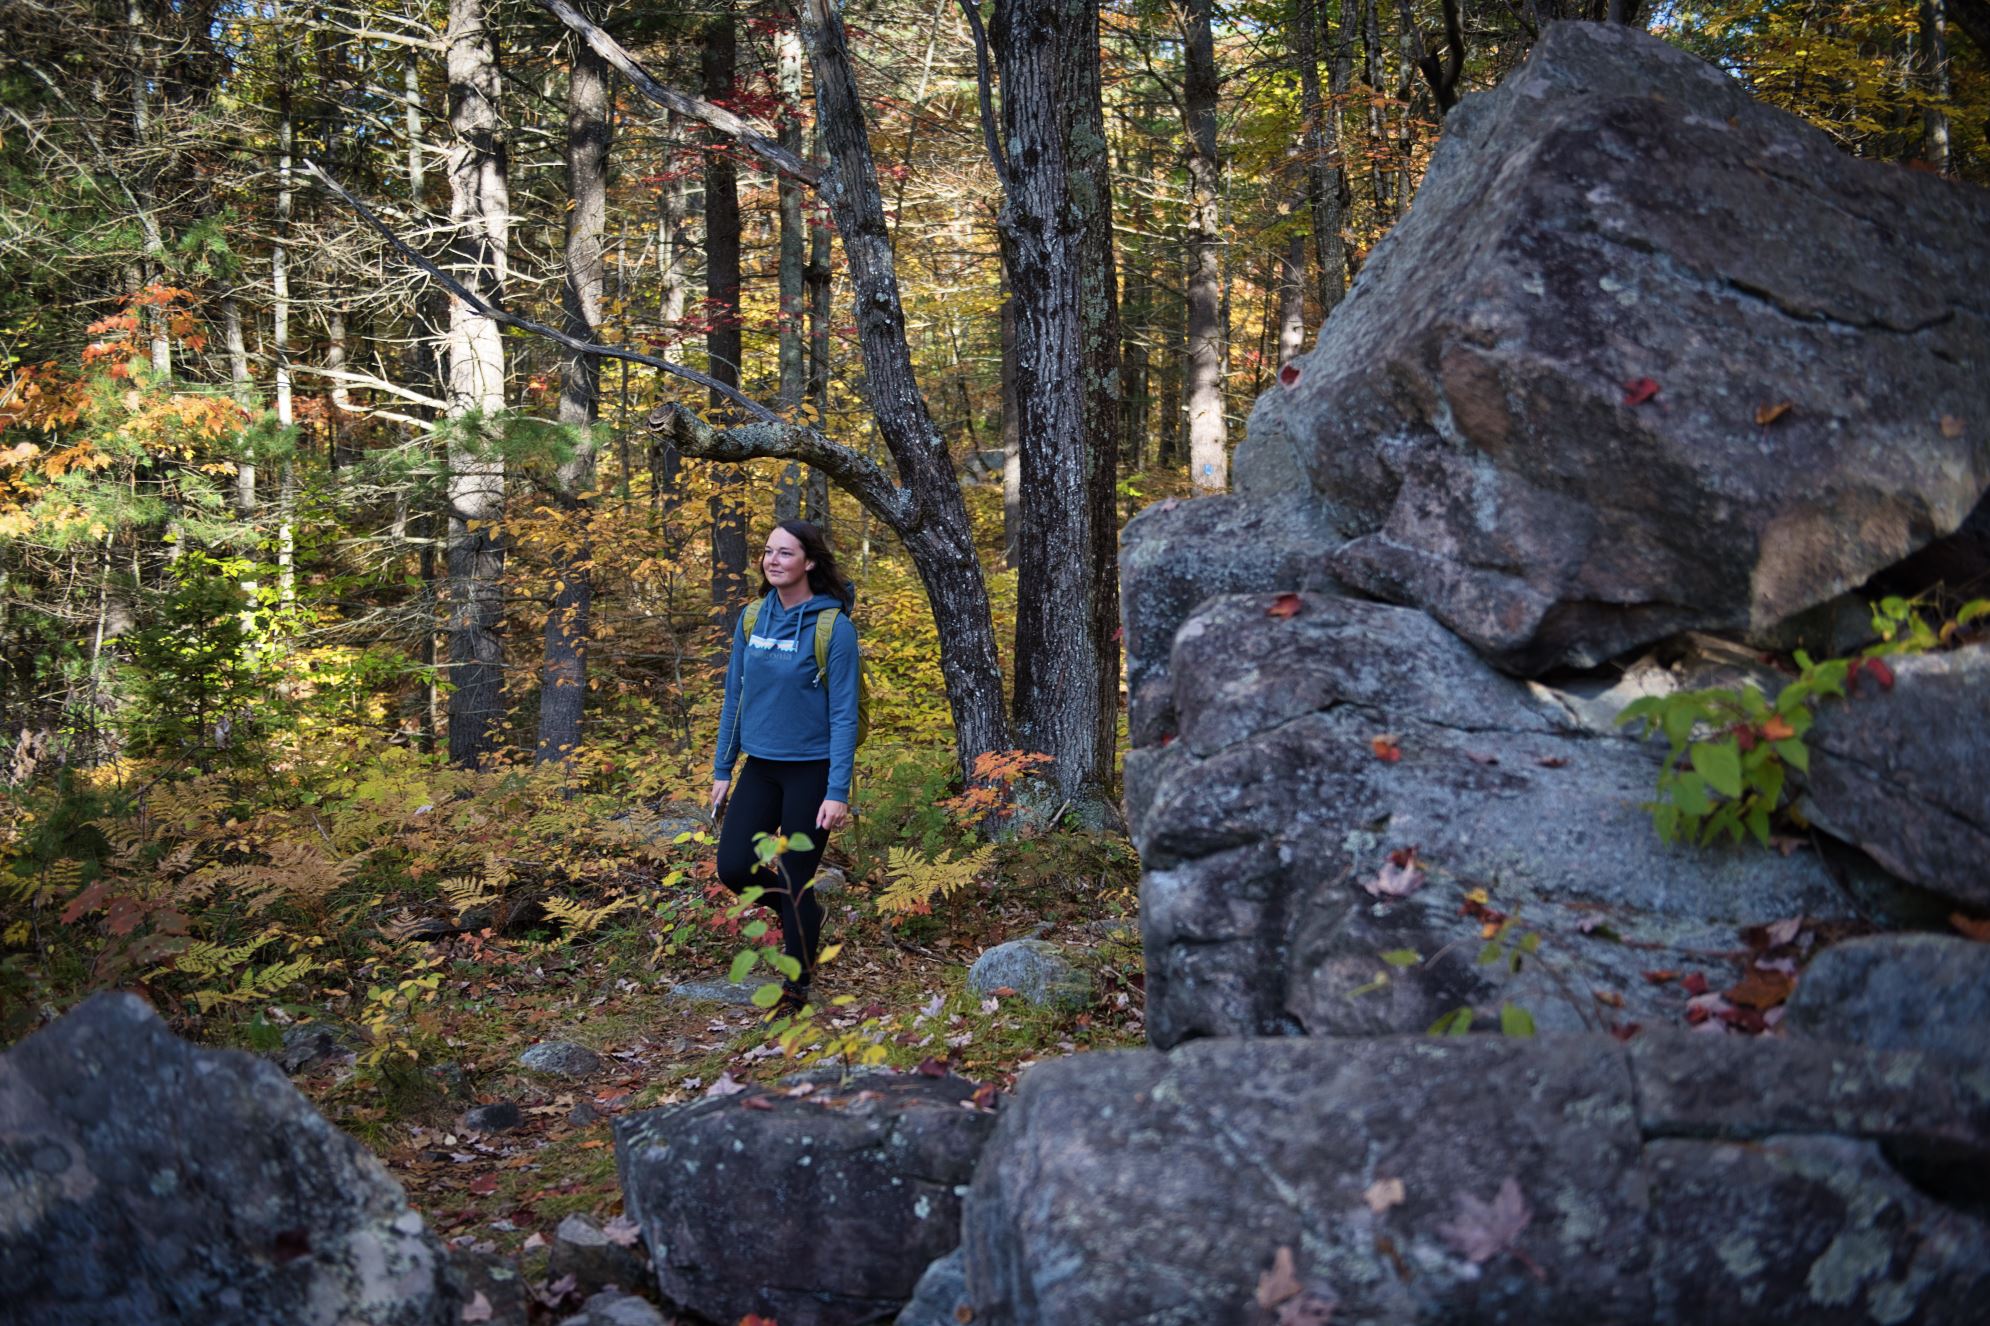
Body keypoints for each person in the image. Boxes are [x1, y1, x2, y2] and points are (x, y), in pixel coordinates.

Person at [710, 520, 859, 1017]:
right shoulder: (752, 618)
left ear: (809, 562)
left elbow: (843, 713)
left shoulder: (833, 627)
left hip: (811, 772)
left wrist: (837, 791)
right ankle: (804, 913)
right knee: (734, 867)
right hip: (760, 766)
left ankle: (796, 989)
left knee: (796, 878)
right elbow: (735, 696)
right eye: (768, 552)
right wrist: (722, 769)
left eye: (785, 553)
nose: (773, 561)